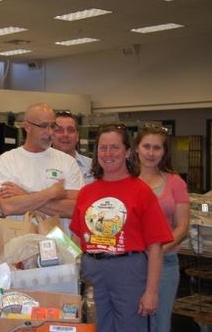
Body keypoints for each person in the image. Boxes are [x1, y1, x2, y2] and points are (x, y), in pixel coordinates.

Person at [70, 123, 174, 332]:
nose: (108, 154)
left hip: (129, 271)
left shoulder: (141, 191)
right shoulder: (86, 192)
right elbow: (76, 238)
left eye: (115, 147)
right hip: (92, 271)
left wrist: (151, 292)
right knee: (94, 327)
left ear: (127, 152)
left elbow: (155, 247)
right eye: (103, 147)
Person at [131, 124, 190, 332]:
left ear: (164, 152)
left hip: (166, 264)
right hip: (130, 264)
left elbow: (182, 226)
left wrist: (157, 251)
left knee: (160, 324)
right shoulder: (124, 181)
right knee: (131, 322)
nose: (151, 152)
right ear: (137, 148)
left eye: (157, 148)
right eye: (146, 146)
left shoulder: (175, 183)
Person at [0, 104, 83, 227]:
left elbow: (73, 209)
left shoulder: (68, 162)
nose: (49, 132)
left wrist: (24, 195)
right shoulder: (6, 161)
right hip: (19, 243)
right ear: (27, 127)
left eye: (53, 126)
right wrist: (51, 193)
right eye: (43, 126)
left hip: (57, 244)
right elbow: (8, 207)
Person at [53, 110, 94, 184]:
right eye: (59, 130)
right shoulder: (40, 165)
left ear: (77, 136)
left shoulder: (92, 166)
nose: (65, 135)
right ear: (51, 135)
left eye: (70, 130)